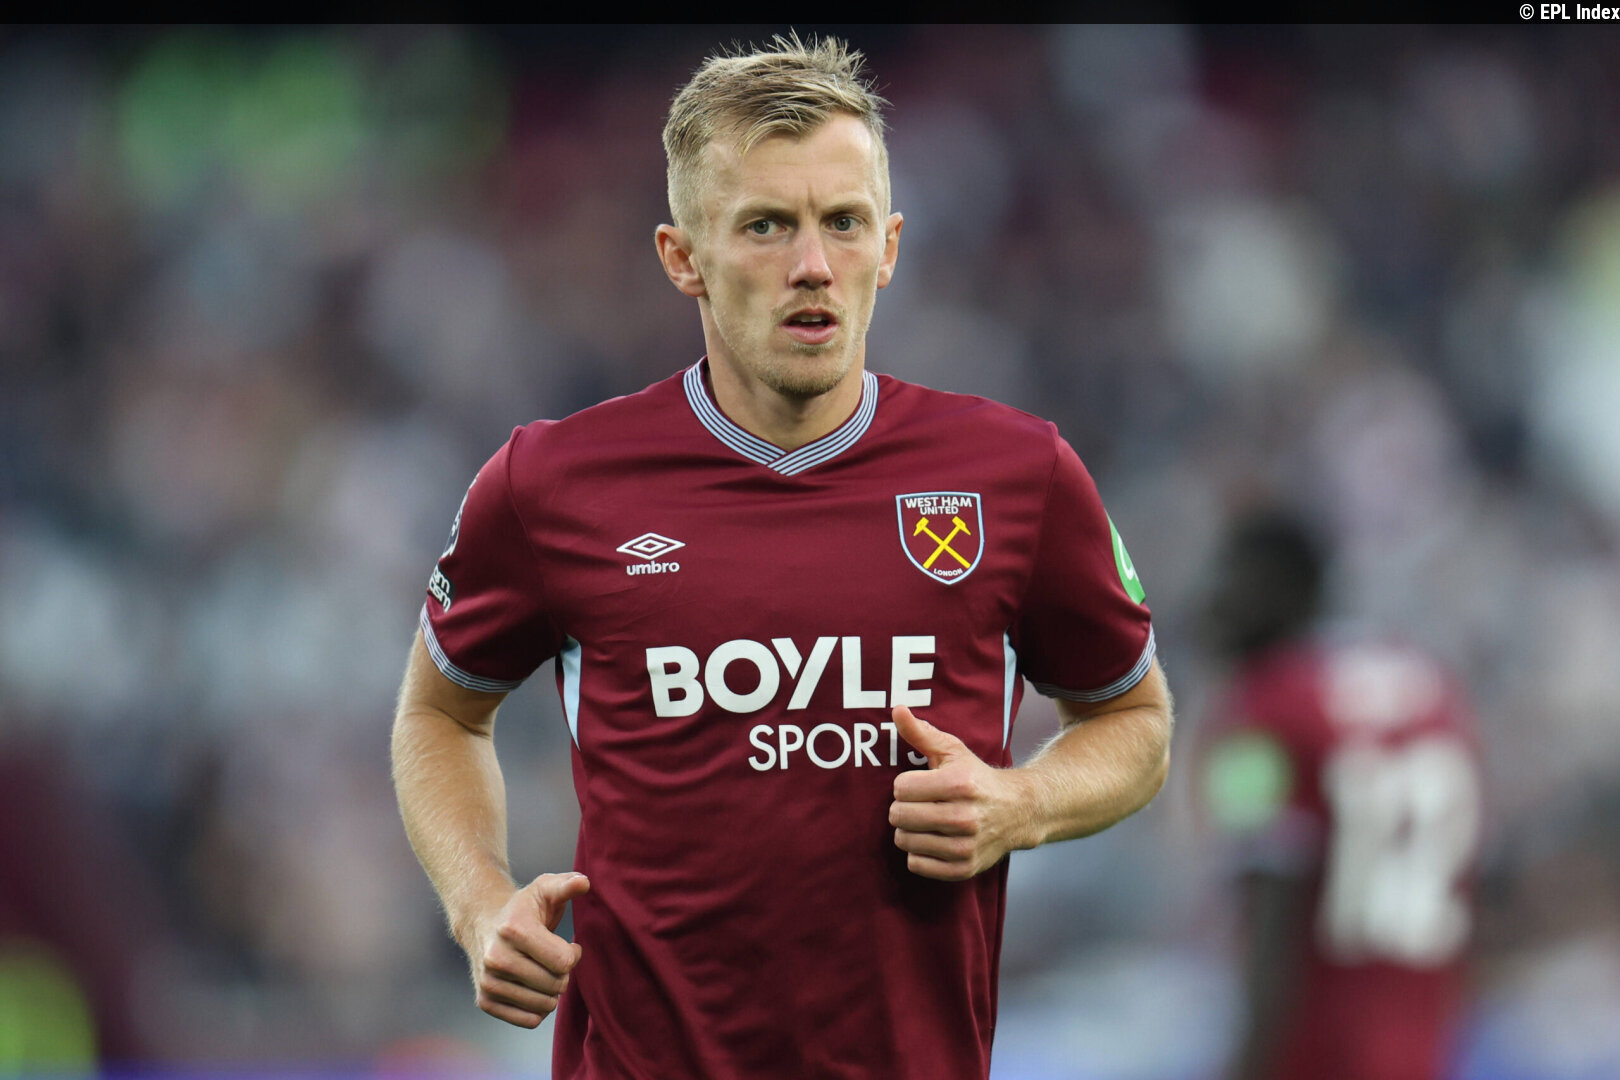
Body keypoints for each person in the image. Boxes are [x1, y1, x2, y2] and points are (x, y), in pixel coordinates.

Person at [390, 34, 1173, 1080]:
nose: (813, 265)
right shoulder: (551, 482)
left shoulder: (1016, 475)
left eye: (843, 223)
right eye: (766, 225)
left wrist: (1021, 804)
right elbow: (440, 715)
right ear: (683, 257)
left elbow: (1135, 721)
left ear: (889, 247)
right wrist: (479, 902)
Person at [1198, 508, 1483, 1080]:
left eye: (1229, 578)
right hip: (1423, 1045)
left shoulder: (1259, 710)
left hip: (1314, 1049)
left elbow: (1270, 908)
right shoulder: (1428, 687)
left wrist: (1247, 1062)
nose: (1211, 602)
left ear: (1278, 587)